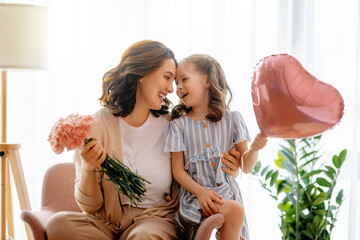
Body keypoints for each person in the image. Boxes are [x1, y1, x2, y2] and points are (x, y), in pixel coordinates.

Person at [46, 41, 242, 240]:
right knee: (58, 224)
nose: (171, 89)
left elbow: (200, 166)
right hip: (105, 224)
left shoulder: (172, 126)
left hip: (155, 221)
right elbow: (89, 207)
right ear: (141, 74)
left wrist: (232, 168)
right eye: (167, 77)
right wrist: (89, 168)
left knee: (144, 237)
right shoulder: (99, 124)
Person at [163, 54, 268, 240]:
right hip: (196, 198)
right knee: (234, 212)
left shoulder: (232, 120)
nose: (178, 87)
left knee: (236, 215)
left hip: (228, 195)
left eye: (184, 79)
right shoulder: (178, 126)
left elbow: (247, 166)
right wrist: (200, 192)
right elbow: (177, 171)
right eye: (176, 82)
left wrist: (255, 149)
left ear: (207, 80)